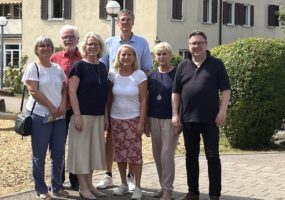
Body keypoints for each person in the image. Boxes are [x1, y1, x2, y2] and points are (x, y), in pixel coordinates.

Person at [97, 8, 152, 191]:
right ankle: (109, 175)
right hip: (115, 104)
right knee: (113, 143)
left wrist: (132, 81)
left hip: (133, 102)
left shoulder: (142, 43)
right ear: (118, 22)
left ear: (133, 22)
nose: (125, 22)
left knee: (133, 149)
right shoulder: (109, 42)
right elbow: (103, 70)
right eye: (122, 20)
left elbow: (147, 69)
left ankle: (132, 181)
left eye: (128, 19)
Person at [172, 30, 231, 200]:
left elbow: (226, 90)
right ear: (189, 46)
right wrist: (175, 115)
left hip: (211, 120)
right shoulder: (183, 66)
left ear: (206, 45)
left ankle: (214, 195)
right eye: (193, 43)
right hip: (189, 119)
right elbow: (175, 92)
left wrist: (222, 111)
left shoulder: (216, 64)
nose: (196, 46)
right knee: (191, 156)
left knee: (213, 157)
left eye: (200, 43)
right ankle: (193, 192)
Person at [22, 36, 68, 200]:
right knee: (39, 155)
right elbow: (33, 90)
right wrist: (51, 108)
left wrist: (62, 106)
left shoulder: (57, 68)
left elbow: (65, 88)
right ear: (37, 49)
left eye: (48, 45)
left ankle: (56, 186)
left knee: (58, 154)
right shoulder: (33, 67)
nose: (46, 48)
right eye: (42, 45)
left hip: (59, 117)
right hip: (40, 115)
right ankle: (41, 189)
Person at [67, 32, 108, 200]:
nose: (92, 47)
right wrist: (77, 115)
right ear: (85, 46)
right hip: (82, 116)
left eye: (96, 44)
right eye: (90, 44)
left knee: (92, 153)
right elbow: (71, 91)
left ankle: (90, 184)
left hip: (98, 116)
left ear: (100, 47)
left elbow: (105, 93)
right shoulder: (78, 66)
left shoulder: (103, 67)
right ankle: (83, 187)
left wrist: (105, 115)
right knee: (81, 153)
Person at [108, 44, 147, 200]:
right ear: (118, 57)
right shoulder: (113, 75)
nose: (126, 57)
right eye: (123, 54)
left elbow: (144, 100)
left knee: (135, 155)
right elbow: (109, 97)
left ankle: (137, 187)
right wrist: (107, 117)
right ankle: (123, 184)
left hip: (133, 119)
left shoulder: (139, 75)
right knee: (120, 154)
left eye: (129, 55)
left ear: (134, 57)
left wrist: (141, 122)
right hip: (116, 119)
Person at [147, 42, 180, 200]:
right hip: (154, 118)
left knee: (167, 155)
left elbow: (181, 99)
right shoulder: (151, 75)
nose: (161, 57)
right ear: (155, 57)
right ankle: (162, 186)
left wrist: (178, 117)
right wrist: (146, 121)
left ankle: (168, 190)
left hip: (170, 120)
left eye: (164, 54)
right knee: (157, 155)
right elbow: (147, 99)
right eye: (158, 54)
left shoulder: (177, 74)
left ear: (170, 55)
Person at [50, 24, 81, 191]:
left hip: (77, 109)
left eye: (71, 37)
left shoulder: (82, 58)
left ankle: (75, 179)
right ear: (61, 40)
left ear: (77, 39)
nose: (68, 40)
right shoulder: (54, 58)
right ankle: (58, 179)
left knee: (75, 145)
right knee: (57, 145)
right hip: (59, 108)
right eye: (64, 37)